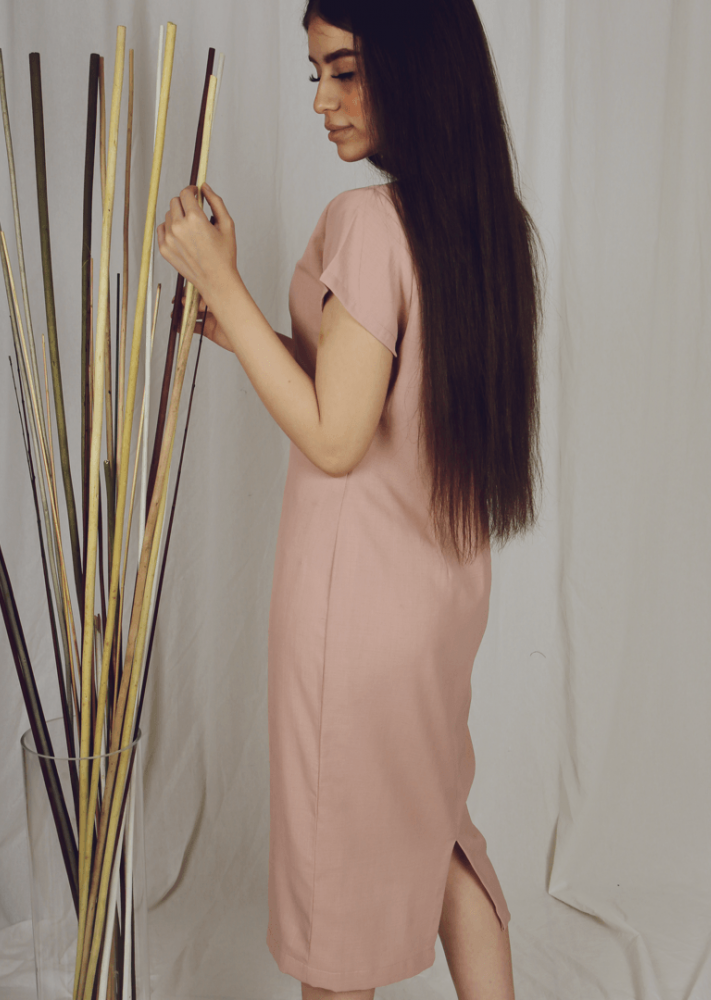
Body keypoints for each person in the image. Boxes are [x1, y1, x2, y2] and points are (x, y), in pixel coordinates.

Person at [157, 0, 542, 996]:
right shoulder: (487, 225)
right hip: (439, 599)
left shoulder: (372, 224)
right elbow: (373, 406)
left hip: (354, 616)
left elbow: (336, 439)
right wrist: (245, 329)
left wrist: (222, 283)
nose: (323, 100)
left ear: (416, 68)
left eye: (346, 70)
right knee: (439, 830)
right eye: (316, 74)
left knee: (334, 909)